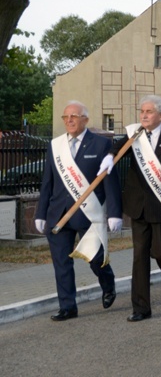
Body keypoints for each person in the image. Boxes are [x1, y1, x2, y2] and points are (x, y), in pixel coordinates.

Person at [100, 95, 161, 322]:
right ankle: (141, 308)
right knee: (139, 257)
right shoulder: (136, 134)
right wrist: (111, 155)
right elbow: (119, 145)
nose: (144, 115)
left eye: (149, 111)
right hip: (138, 206)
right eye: (142, 111)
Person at [36, 101, 122, 321]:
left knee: (95, 258)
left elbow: (109, 181)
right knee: (61, 263)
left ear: (85, 119)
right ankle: (68, 306)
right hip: (58, 213)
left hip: (88, 213)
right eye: (66, 117)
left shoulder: (101, 145)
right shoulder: (55, 146)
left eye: (74, 116)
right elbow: (47, 182)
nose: (70, 120)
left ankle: (108, 282)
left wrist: (114, 213)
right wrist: (40, 213)